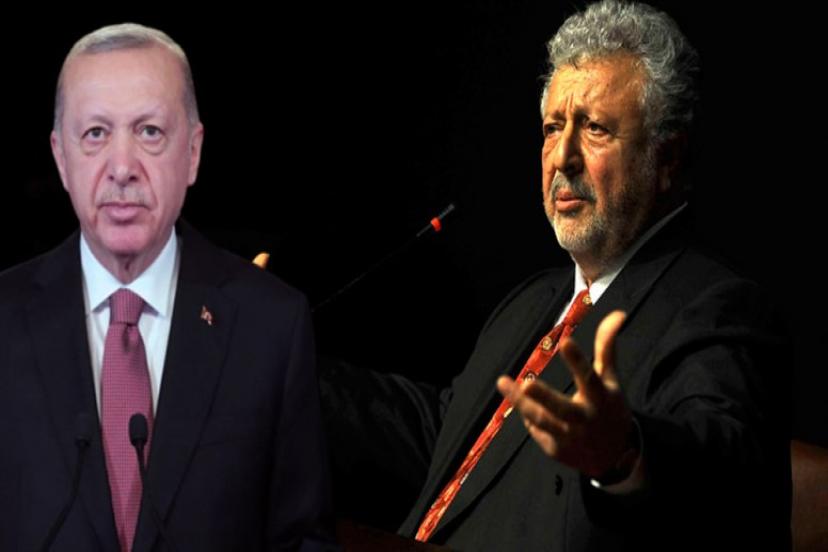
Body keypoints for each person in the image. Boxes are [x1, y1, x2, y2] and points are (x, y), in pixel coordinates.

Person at [322, 1, 790, 549]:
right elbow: (440, 436)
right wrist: (275, 354)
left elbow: (728, 473)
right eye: (552, 127)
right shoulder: (534, 300)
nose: (562, 156)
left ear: (665, 158)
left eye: (594, 129)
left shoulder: (716, 307)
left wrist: (624, 454)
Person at [0, 23, 330, 551]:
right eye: (96, 134)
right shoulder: (5, 319)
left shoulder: (271, 327)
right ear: (61, 158)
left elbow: (302, 541)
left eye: (150, 132)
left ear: (193, 152)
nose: (122, 167)